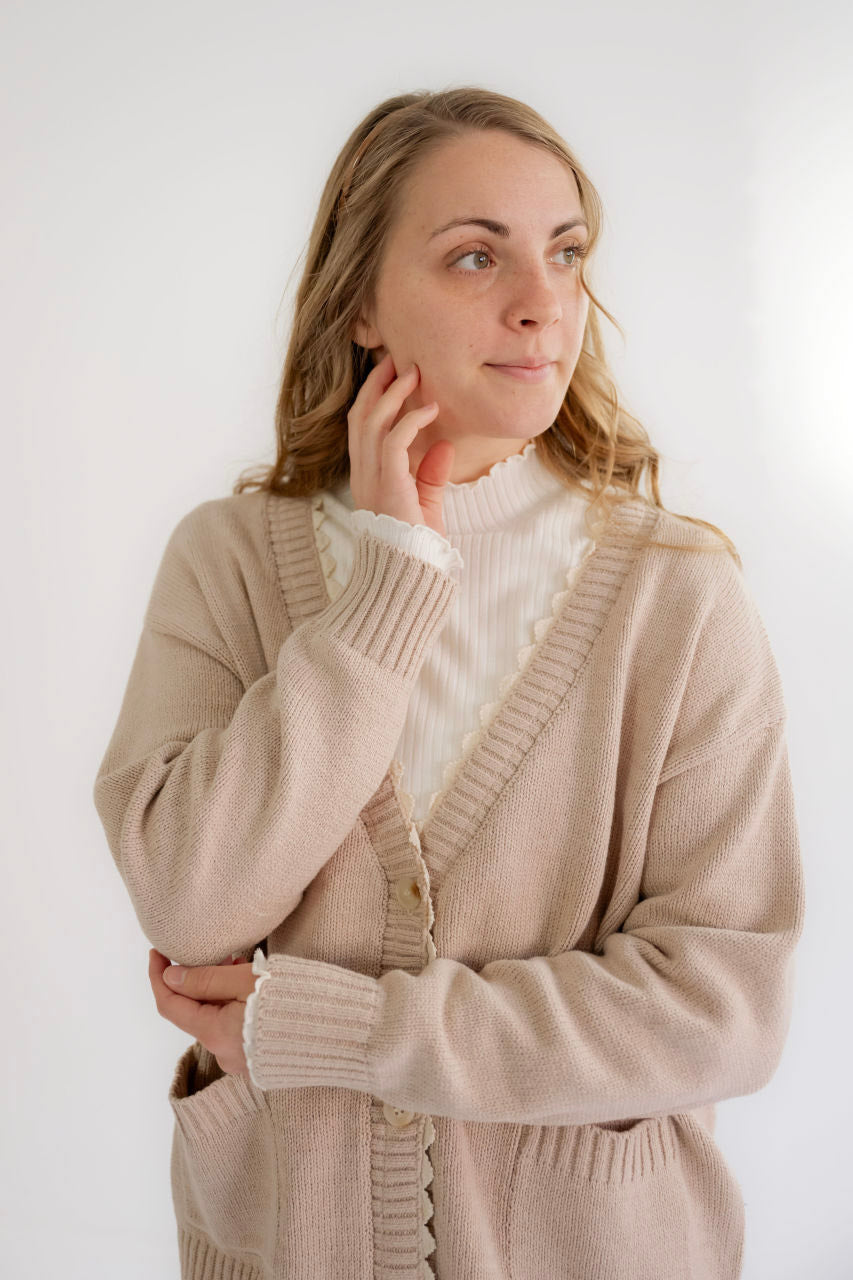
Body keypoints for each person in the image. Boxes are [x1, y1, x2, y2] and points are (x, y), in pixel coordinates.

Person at [92, 87, 806, 1280]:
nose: (542, 301)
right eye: (477, 255)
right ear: (361, 304)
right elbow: (190, 899)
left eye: (564, 251)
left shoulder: (676, 598)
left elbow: (719, 1010)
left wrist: (346, 1030)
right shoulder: (227, 561)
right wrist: (389, 587)